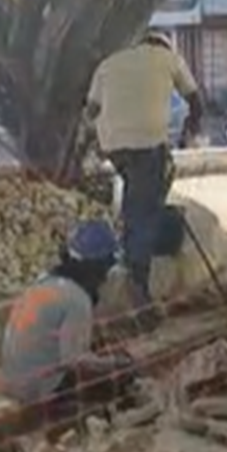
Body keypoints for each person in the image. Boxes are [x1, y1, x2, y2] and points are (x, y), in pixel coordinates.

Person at [85, 30, 203, 330]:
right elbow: (195, 98)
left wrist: (91, 143)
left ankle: (135, 237)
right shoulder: (169, 58)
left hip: (113, 145)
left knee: (140, 195)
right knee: (145, 210)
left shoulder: (110, 63)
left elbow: (91, 110)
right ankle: (139, 289)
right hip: (147, 143)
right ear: (163, 45)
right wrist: (192, 127)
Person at [1, 220, 135, 408]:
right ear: (97, 267)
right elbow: (74, 361)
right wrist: (117, 364)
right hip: (38, 389)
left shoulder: (46, 280)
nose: (106, 277)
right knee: (120, 376)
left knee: (99, 347)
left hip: (13, 380)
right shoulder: (78, 299)